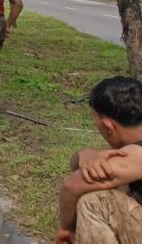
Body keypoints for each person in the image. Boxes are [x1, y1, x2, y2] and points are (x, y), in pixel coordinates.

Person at [54, 76, 142, 244]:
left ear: (108, 126)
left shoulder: (135, 156)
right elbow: (79, 165)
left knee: (94, 202)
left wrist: (66, 229)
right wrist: (84, 154)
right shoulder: (131, 150)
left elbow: (72, 185)